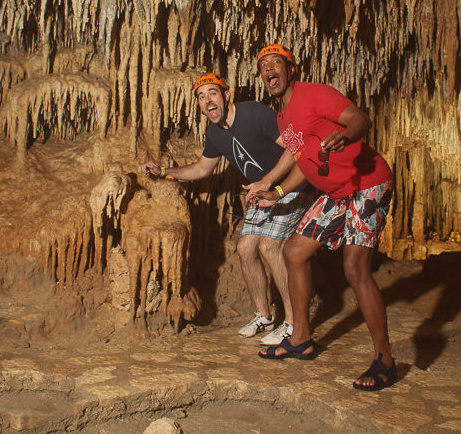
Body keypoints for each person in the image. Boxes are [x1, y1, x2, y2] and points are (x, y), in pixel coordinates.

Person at [246, 44, 396, 391]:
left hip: (367, 183)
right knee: (294, 253)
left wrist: (346, 135)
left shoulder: (315, 94)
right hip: (337, 193)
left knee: (355, 268)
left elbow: (360, 118)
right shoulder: (282, 116)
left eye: (276, 62)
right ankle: (300, 338)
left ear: (291, 70)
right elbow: (303, 160)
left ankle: (385, 360)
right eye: (263, 65)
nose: (269, 68)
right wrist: (277, 192)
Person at [141, 72, 311, 346]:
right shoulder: (215, 135)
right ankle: (264, 316)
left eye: (212, 93)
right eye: (201, 96)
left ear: (226, 95)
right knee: (245, 248)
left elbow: (295, 147)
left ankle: (293, 322)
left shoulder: (254, 113)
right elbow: (201, 168)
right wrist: (163, 172)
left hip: (291, 186)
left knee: (269, 246)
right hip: (260, 193)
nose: (207, 99)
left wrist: (271, 182)